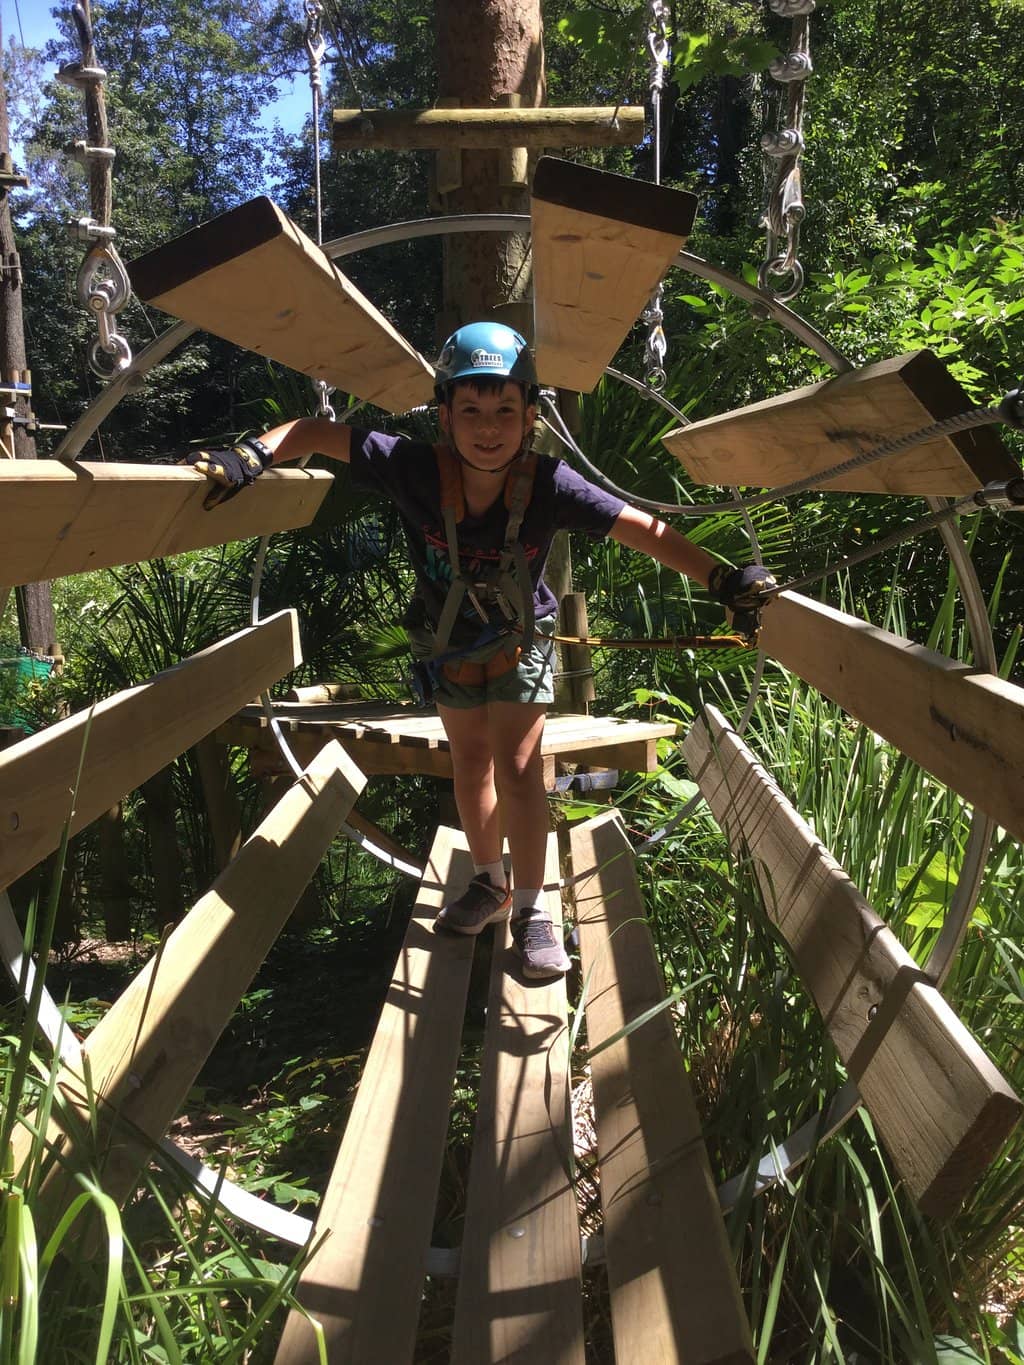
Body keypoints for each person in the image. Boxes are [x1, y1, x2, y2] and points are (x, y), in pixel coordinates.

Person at [181, 322, 775, 979]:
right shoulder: (411, 467)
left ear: (529, 416)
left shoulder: (551, 484)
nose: (487, 428)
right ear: (444, 415)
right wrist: (252, 456)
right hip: (445, 640)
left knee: (519, 766)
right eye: (470, 410)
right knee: (469, 762)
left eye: (503, 411)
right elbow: (314, 433)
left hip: (522, 637)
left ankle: (533, 910)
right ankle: (488, 882)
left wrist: (720, 578)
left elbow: (641, 528)